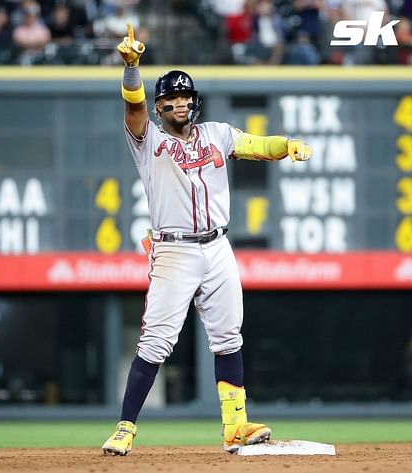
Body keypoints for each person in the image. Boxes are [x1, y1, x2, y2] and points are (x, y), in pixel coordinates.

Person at [101, 24, 312, 456]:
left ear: (193, 102)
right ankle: (125, 427)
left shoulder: (216, 133)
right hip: (174, 248)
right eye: (170, 101)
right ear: (160, 107)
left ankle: (235, 428)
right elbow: (133, 109)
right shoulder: (149, 141)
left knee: (228, 335)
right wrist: (132, 70)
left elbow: (257, 144)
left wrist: (287, 144)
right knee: (156, 340)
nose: (178, 105)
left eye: (184, 99)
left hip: (217, 246)